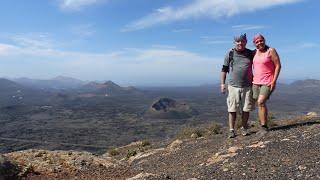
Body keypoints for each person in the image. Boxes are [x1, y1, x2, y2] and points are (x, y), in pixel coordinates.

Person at [220, 33, 254, 138]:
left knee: (246, 109)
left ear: (246, 42)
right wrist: (222, 83)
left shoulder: (250, 53)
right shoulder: (229, 54)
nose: (240, 43)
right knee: (232, 109)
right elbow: (224, 69)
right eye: (238, 41)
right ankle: (231, 130)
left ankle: (244, 128)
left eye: (242, 41)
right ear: (234, 42)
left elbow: (261, 55)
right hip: (233, 86)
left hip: (248, 85)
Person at [252, 33, 281, 135]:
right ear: (254, 43)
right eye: (257, 41)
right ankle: (262, 126)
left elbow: (278, 65)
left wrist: (274, 80)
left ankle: (264, 127)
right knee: (259, 104)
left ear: (264, 40)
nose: (259, 43)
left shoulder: (271, 50)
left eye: (261, 40)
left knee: (260, 102)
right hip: (255, 82)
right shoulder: (254, 52)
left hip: (268, 81)